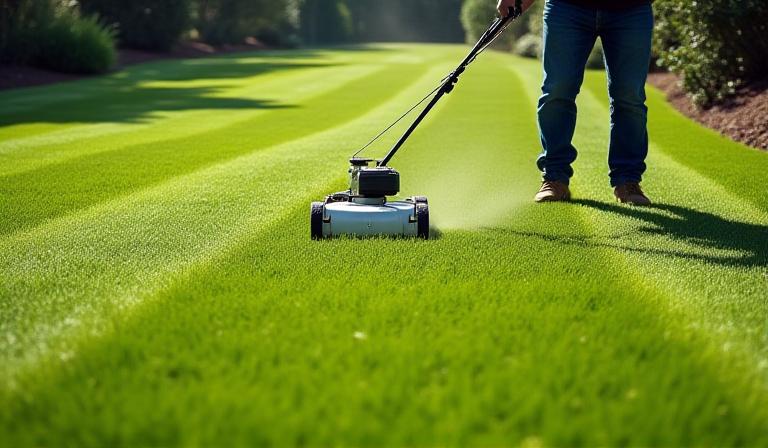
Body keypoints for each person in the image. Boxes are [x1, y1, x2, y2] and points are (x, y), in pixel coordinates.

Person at [497, 0, 654, 205]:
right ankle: (554, 178)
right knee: (557, 90)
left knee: (629, 96)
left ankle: (628, 181)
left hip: (631, 10)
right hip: (567, 7)